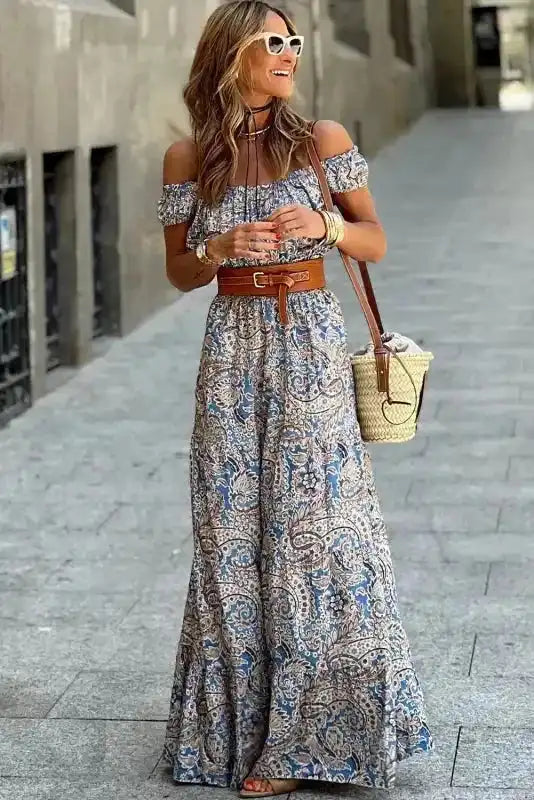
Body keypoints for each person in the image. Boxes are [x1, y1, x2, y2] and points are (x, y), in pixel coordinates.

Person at [157, 1, 432, 797]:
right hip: (230, 354)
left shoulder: (324, 143)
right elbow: (179, 271)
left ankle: (305, 745)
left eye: (293, 41)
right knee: (229, 536)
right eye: (271, 43)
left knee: (317, 535)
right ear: (229, 56)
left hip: (307, 345)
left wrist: (325, 224)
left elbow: (375, 239)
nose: (288, 54)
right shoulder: (187, 157)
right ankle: (235, 736)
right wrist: (214, 248)